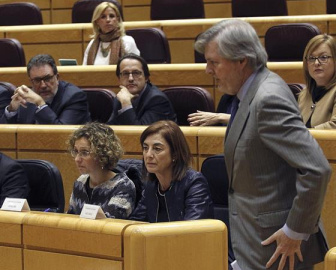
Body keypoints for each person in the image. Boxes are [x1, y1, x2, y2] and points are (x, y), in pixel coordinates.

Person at [195, 19, 331, 270]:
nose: (208, 70)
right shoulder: (246, 95)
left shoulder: (268, 98)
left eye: (214, 62)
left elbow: (317, 169)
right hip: (255, 245)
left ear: (241, 60)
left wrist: (295, 231)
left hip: (279, 250)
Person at [130, 120, 213, 222]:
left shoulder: (194, 183)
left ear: (175, 154)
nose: (148, 155)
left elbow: (192, 231)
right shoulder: (150, 185)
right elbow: (135, 223)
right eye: (145, 148)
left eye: (157, 149)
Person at [67, 122, 136, 219]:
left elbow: (112, 227)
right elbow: (70, 219)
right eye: (76, 152)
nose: (77, 159)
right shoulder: (80, 182)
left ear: (102, 154)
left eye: (84, 153)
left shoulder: (123, 186)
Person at [1, 54, 91, 124]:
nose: (43, 85)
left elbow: (61, 135)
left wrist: (40, 103)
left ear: (57, 77)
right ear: (31, 81)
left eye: (47, 79)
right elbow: (7, 138)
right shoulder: (27, 97)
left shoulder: (75, 97)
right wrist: (12, 110)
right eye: (37, 80)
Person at [107, 53, 176, 125]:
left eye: (136, 73)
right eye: (125, 74)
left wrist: (126, 105)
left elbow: (139, 133)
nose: (131, 79)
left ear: (146, 77)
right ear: (119, 79)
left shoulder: (157, 100)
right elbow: (109, 128)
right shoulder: (120, 98)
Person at [299, 34, 336, 129]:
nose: (316, 63)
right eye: (311, 58)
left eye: (323, 57)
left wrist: (300, 135)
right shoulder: (303, 95)